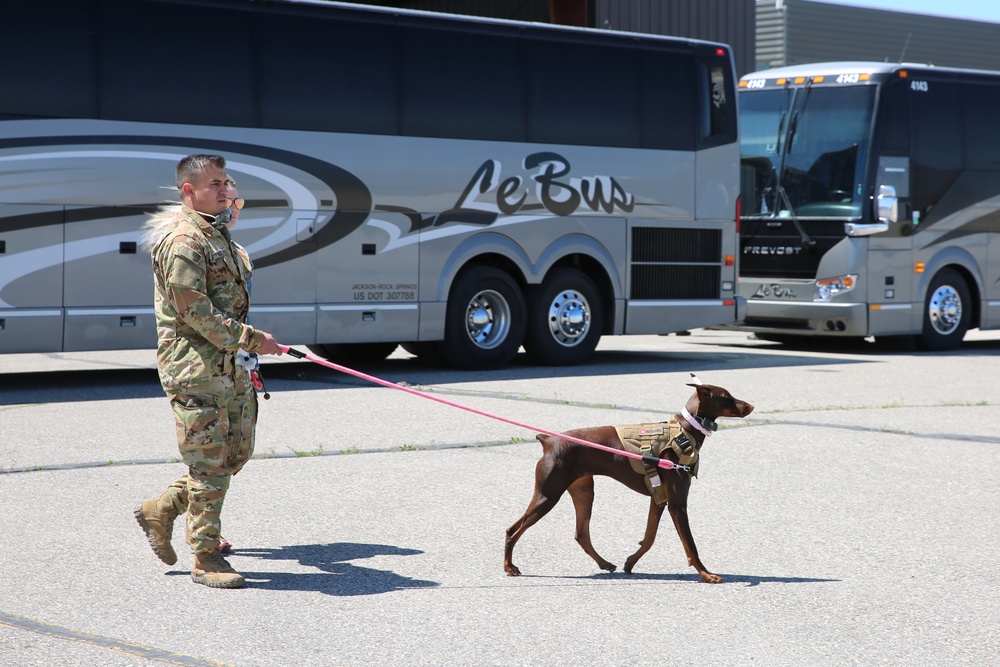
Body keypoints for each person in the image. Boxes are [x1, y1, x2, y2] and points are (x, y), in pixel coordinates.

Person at [134, 154, 282, 589]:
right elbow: (195, 312)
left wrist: (246, 348)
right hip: (195, 369)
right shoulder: (184, 242)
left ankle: (161, 507)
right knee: (210, 462)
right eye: (214, 183)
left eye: (226, 182)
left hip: (228, 365)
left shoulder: (217, 236)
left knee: (234, 454)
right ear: (188, 191)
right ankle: (205, 556)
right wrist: (254, 339)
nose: (224, 189)